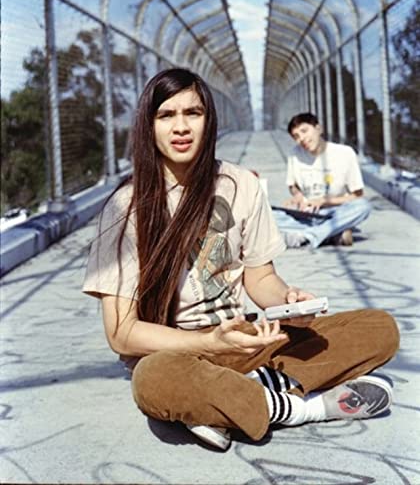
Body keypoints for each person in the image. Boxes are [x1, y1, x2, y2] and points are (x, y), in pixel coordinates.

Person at [83, 68, 399, 451]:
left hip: (243, 339)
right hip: (174, 353)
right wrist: (208, 344)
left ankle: (231, 402)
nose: (181, 127)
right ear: (148, 125)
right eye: (166, 115)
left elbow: (260, 278)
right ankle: (303, 406)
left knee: (379, 328)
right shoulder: (126, 207)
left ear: (209, 119)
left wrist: (288, 302)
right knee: (152, 380)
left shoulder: (239, 184)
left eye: (193, 113)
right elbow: (121, 333)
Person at [278, 112, 371, 249]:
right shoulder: (294, 154)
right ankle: (333, 233)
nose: (301, 138)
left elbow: (357, 196)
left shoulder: (345, 153)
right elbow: (293, 186)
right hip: (307, 213)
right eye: (296, 136)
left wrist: (323, 201)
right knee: (269, 215)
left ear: (318, 129)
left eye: (304, 131)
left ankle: (308, 236)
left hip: (336, 211)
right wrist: (297, 196)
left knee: (363, 206)